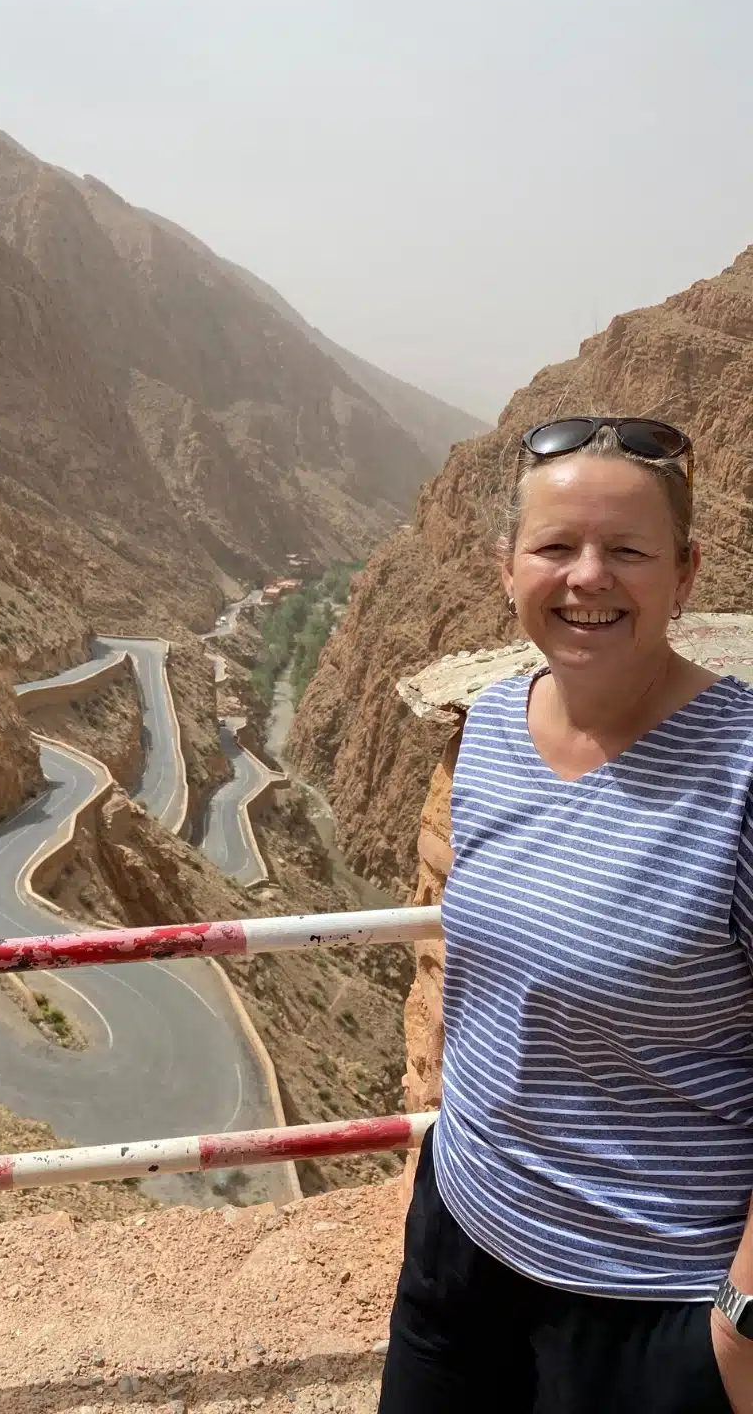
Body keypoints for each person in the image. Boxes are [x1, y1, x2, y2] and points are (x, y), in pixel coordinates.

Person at [379, 415, 753, 1414]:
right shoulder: (496, 725)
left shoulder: (743, 774)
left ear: (686, 572)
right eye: (556, 547)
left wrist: (741, 1333)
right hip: (461, 1251)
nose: (589, 577)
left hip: (647, 1312)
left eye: (627, 550)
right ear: (508, 568)